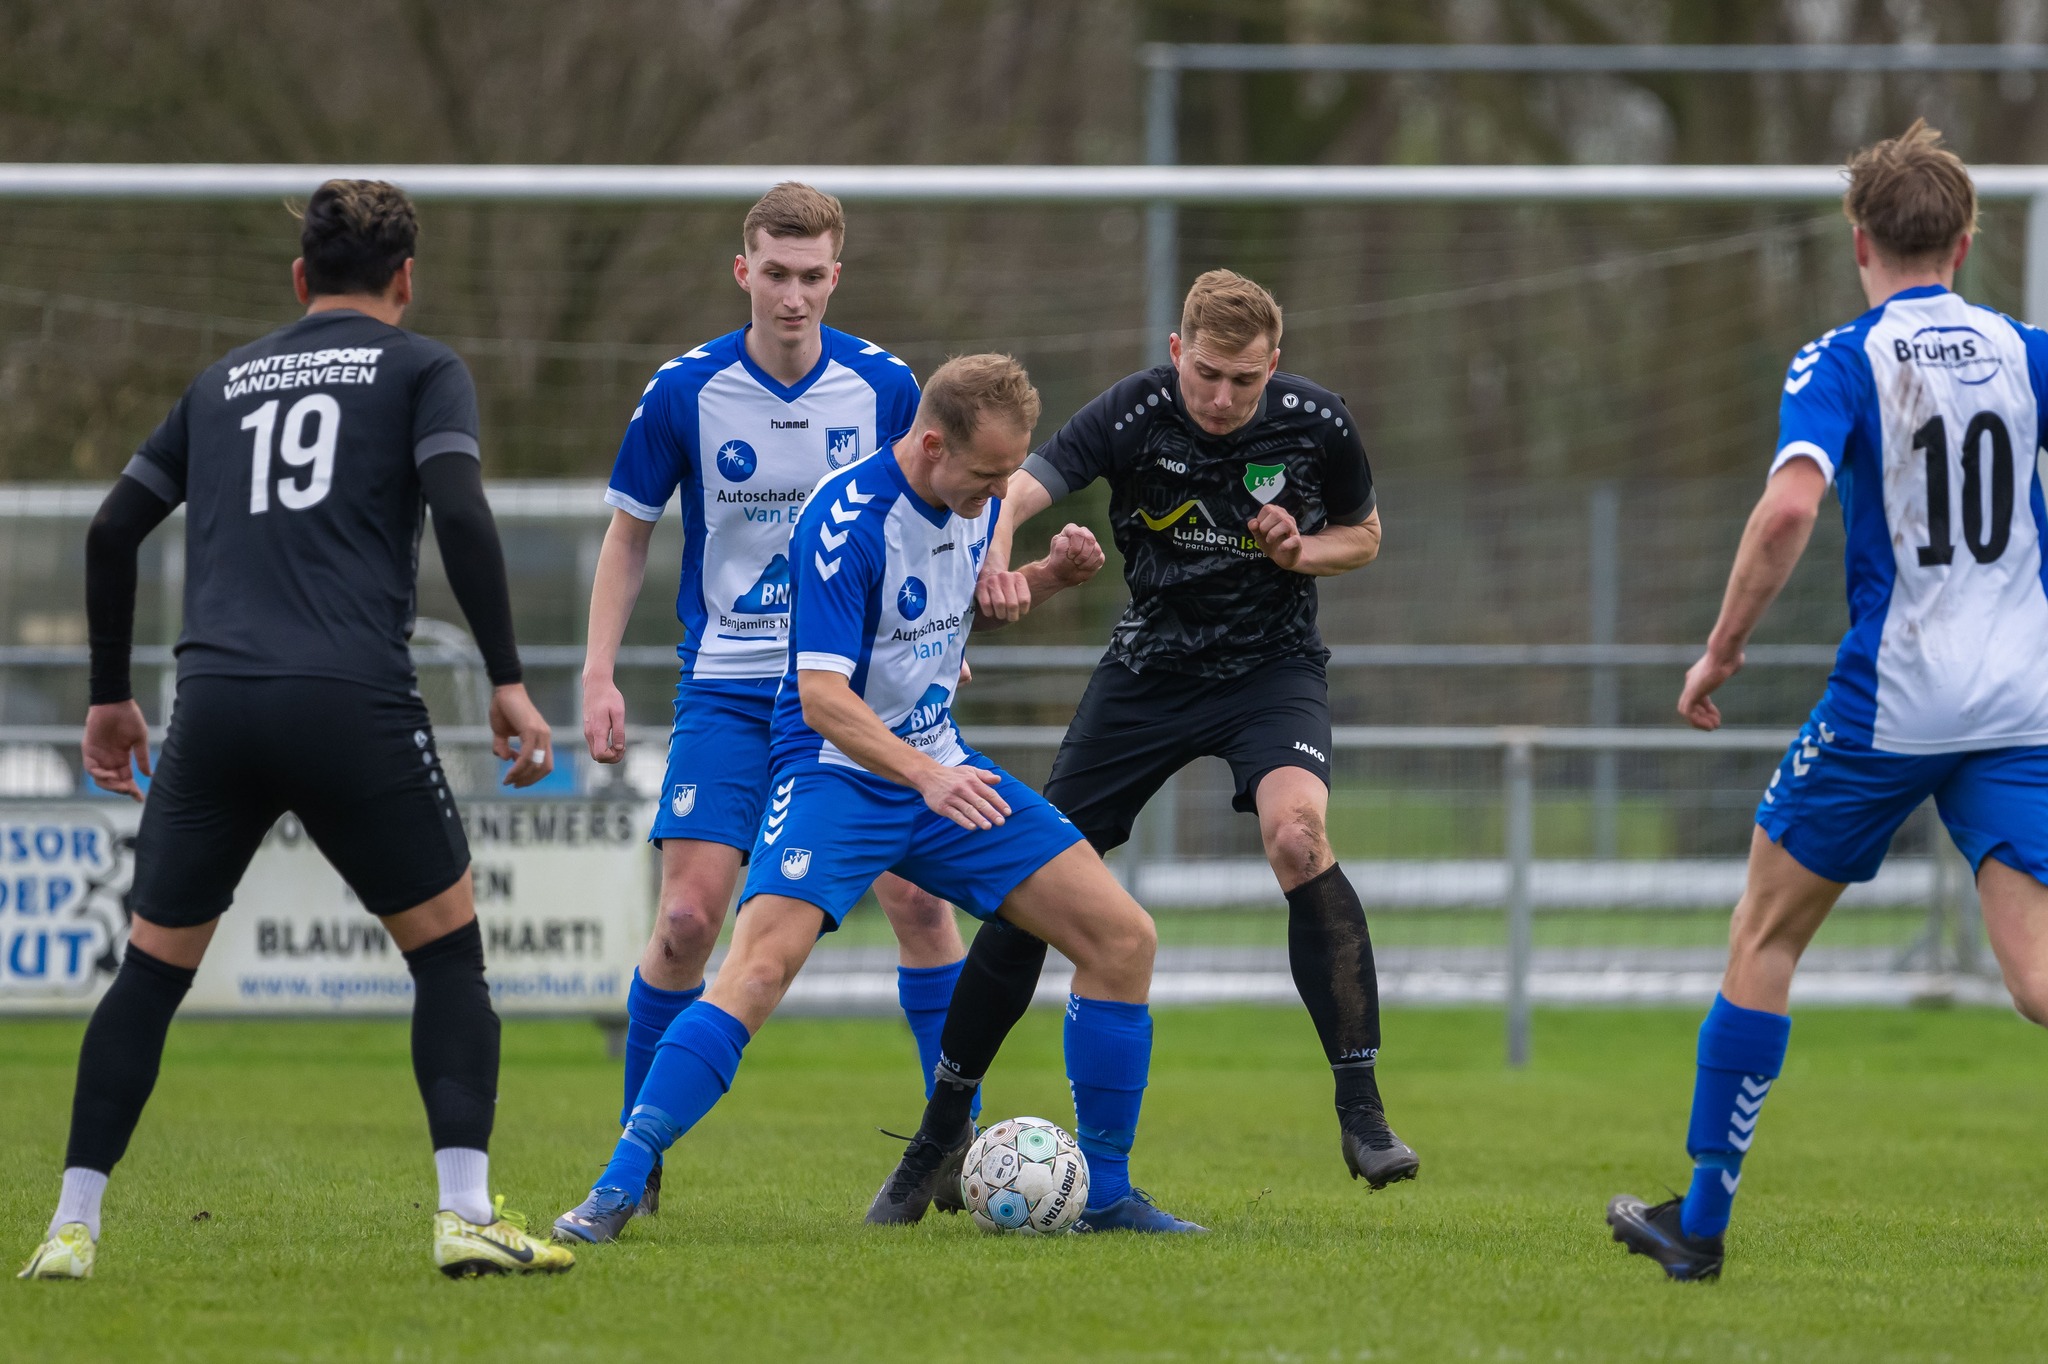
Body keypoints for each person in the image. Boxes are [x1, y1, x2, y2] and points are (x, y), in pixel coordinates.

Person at [18, 180, 572, 1281]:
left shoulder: (220, 381)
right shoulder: (423, 368)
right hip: (349, 698)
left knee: (150, 972)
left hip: (215, 702)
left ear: (298, 278)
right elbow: (457, 510)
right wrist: (508, 677)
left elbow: (111, 528)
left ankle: (70, 1226)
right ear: (405, 279)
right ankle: (463, 1211)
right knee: (450, 955)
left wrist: (109, 694)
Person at [554, 354, 1204, 1242]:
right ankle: (618, 1185)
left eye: (1008, 477)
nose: (995, 495)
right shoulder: (844, 519)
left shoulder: (971, 499)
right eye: (984, 476)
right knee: (753, 970)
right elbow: (821, 696)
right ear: (931, 444)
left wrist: (1047, 575)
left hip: (940, 763)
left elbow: (946, 612)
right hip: (838, 776)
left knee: (1123, 939)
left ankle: (1107, 1195)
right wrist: (927, 776)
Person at [866, 270, 1412, 1227]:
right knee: (1036, 879)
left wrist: (1300, 553)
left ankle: (1361, 1110)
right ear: (1177, 351)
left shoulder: (1315, 423)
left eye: (1244, 381)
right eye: (1207, 373)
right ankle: (939, 1132)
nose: (1222, 398)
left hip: (1270, 673)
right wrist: (993, 560)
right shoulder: (1132, 413)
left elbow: (1363, 535)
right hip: (1147, 672)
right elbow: (1020, 487)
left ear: (1271, 366)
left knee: (1299, 838)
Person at [1607, 121, 2048, 1282]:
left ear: (1856, 239)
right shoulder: (2024, 348)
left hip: (1889, 701)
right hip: (2018, 699)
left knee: (1763, 933)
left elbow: (1790, 509)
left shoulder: (1841, 359)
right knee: (2039, 979)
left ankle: (1696, 1222)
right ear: (1963, 240)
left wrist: (1719, 648)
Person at [574, 182, 972, 1225]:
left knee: (922, 906)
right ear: (741, 270)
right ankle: (640, 1156)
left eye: (812, 276)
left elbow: (936, 517)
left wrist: (939, 638)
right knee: (687, 920)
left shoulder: (887, 387)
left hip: (858, 690)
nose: (792, 296)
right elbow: (629, 532)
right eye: (774, 273)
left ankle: (948, 1146)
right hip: (731, 684)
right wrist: (598, 671)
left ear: (835, 277)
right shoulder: (685, 390)